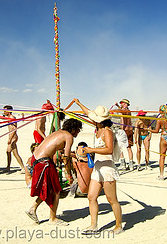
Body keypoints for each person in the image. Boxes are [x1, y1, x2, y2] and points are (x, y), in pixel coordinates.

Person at [74, 99, 123, 235]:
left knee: (112, 199)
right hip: (97, 168)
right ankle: (93, 225)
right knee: (91, 196)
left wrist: (91, 150)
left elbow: (109, 150)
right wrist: (78, 103)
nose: (93, 120)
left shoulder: (107, 131)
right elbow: (89, 113)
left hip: (107, 169)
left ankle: (118, 226)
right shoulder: (98, 128)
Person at [26, 118, 82, 226]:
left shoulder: (58, 132)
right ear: (74, 129)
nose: (78, 132)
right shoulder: (68, 136)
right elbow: (66, 157)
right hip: (44, 162)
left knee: (50, 188)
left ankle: (33, 209)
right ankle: (52, 218)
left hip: (37, 159)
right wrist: (69, 174)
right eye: (78, 130)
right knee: (56, 190)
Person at [147, 98, 167, 180]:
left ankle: (161, 175)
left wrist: (148, 130)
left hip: (164, 137)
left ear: (160, 111)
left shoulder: (160, 120)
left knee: (162, 156)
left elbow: (156, 131)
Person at [0, 105, 25, 173]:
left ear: (8, 111)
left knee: (15, 153)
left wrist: (10, 138)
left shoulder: (12, 118)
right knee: (8, 152)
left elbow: (14, 129)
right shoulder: (8, 117)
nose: (4, 112)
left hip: (13, 137)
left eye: (5, 110)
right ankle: (8, 167)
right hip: (11, 137)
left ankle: (22, 167)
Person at [113, 99, 134, 170]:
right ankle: (131, 164)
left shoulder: (124, 110)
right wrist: (118, 106)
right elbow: (121, 111)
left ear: (125, 104)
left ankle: (123, 164)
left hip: (124, 131)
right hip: (130, 130)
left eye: (122, 103)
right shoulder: (128, 111)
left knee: (120, 147)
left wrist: (112, 111)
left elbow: (120, 111)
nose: (121, 104)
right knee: (129, 148)